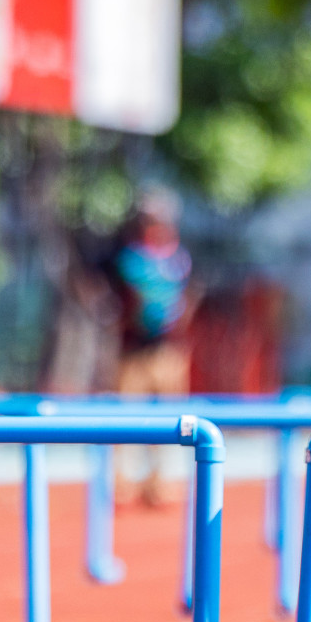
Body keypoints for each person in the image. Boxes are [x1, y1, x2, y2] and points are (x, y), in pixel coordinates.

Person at [107, 188, 196, 505]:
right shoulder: (128, 259)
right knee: (127, 421)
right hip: (134, 352)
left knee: (171, 423)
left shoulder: (178, 258)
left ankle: (159, 484)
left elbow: (183, 300)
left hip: (168, 351)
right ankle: (123, 485)